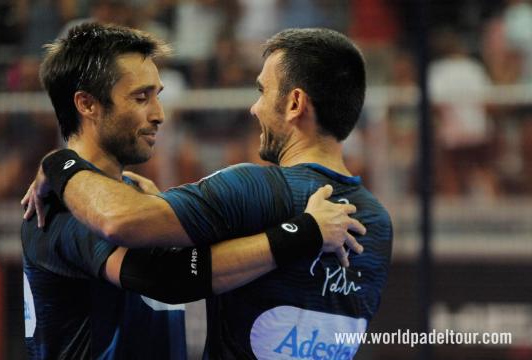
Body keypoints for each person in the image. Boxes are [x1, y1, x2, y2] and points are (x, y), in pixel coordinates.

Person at [25, 27, 392, 359]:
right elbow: (163, 276)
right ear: (87, 104)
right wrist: (305, 233)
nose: (159, 115)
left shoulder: (155, 204)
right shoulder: (63, 208)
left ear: (295, 103)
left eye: (157, 96)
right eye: (141, 97)